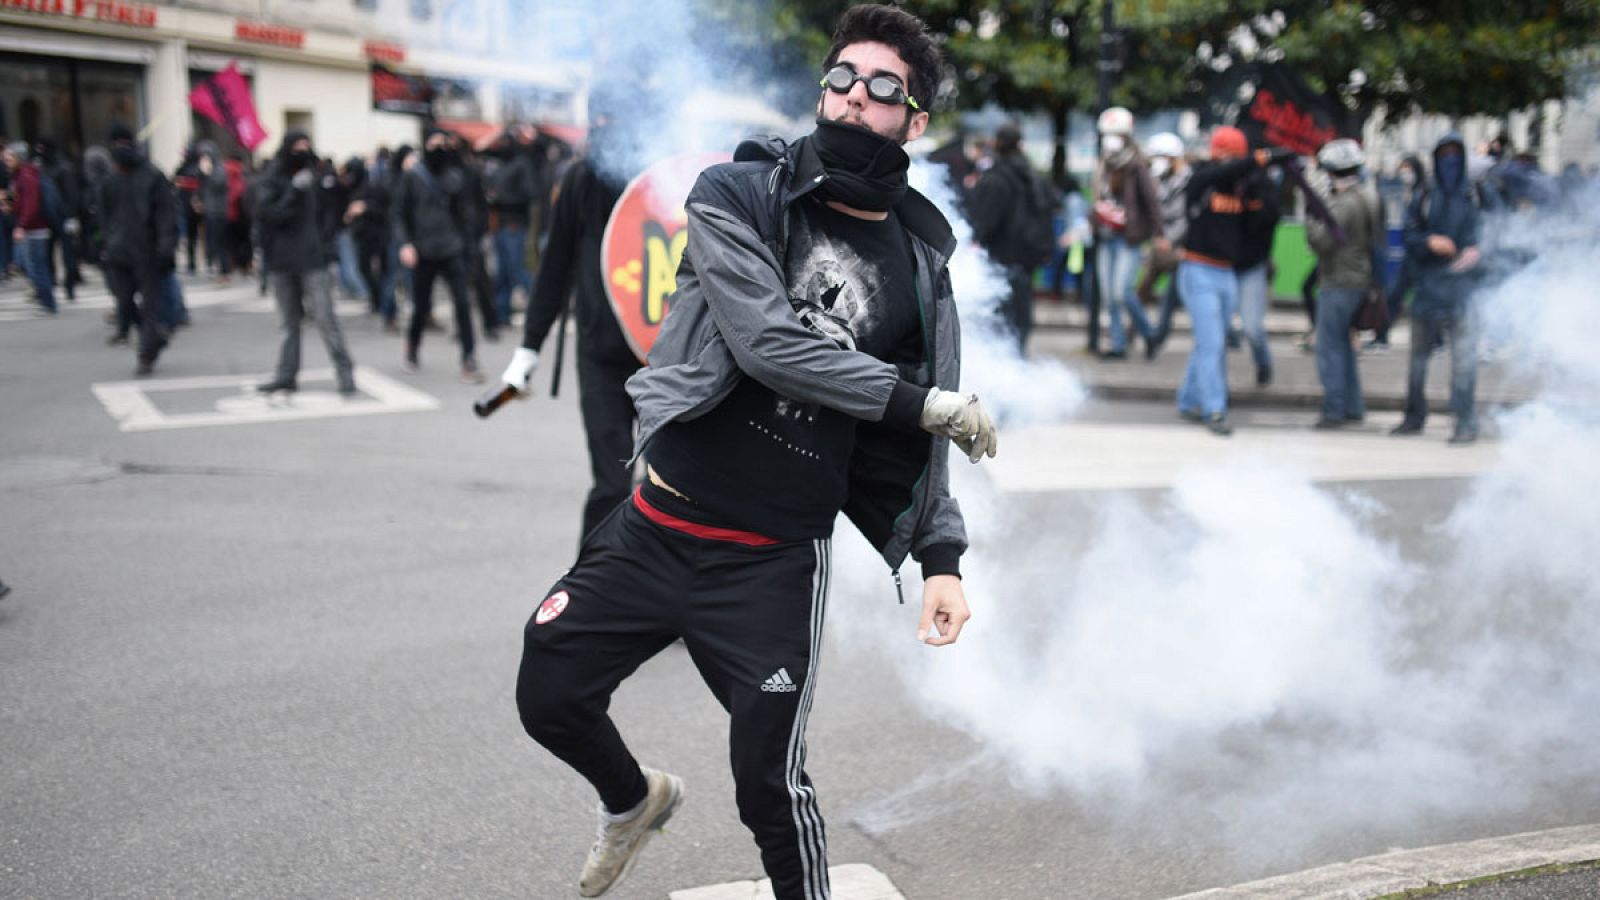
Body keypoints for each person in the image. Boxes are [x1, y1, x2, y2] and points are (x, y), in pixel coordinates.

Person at [513, 7, 995, 899]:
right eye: (842, 78)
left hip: (770, 563)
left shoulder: (923, 267)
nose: (855, 97)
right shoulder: (737, 193)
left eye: (883, 87)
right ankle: (633, 801)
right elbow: (767, 343)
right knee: (547, 697)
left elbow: (910, 447)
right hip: (658, 524)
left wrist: (941, 558)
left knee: (770, 791)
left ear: (915, 121)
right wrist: (923, 403)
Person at [497, 89, 647, 541]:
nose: (605, 127)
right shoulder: (581, 181)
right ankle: (593, 587)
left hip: (665, 357)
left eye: (615, 117)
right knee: (611, 485)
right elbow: (555, 267)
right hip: (600, 354)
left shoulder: (660, 177)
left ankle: (661, 588)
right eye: (598, 117)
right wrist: (528, 349)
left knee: (672, 488)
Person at [1175, 127, 1291, 436]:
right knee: (1214, 343)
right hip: (1198, 270)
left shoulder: (1243, 187)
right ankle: (1215, 408)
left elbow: (1257, 229)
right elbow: (1223, 171)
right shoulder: (1201, 178)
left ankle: (1188, 400)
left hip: (1227, 273)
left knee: (1208, 342)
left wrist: (1259, 195)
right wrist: (1260, 159)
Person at [1392, 133, 1481, 444]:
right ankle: (1414, 416)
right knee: (1417, 362)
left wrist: (1478, 252)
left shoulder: (1476, 194)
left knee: (1463, 363)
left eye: (1455, 154)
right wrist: (1429, 241)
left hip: (1464, 293)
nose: (1450, 162)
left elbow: (1497, 234)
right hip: (1428, 289)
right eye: (1444, 155)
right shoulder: (1425, 194)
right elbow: (1408, 234)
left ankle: (1465, 422)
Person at [254, 131, 356, 396]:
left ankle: (344, 371)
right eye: (297, 146)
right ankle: (287, 375)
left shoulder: (317, 176)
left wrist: (325, 244)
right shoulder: (274, 177)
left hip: (313, 259)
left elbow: (331, 212)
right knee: (289, 322)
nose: (302, 151)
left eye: (306, 146)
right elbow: (269, 214)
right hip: (282, 260)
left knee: (325, 317)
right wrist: (292, 192)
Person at [393, 128, 484, 381]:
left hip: (452, 248)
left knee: (463, 305)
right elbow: (400, 213)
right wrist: (406, 244)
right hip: (424, 250)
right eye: (434, 142)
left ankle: (469, 358)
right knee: (421, 306)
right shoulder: (413, 176)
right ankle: (412, 346)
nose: (439, 148)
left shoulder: (455, 177)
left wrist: (469, 247)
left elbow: (467, 215)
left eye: (443, 143)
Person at [1305, 138, 1380, 429]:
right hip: (1357, 278)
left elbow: (1323, 241)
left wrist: (1311, 220)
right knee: (1344, 348)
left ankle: (1334, 408)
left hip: (1339, 281)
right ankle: (1353, 406)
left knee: (1329, 348)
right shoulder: (1366, 196)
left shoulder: (1344, 204)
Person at [968, 121, 1053, 352]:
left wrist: (975, 237)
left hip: (1002, 253)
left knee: (1003, 313)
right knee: (1022, 309)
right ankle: (1018, 355)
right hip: (1028, 253)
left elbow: (985, 219)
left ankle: (1007, 358)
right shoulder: (1032, 174)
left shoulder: (996, 177)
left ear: (997, 144)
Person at [101, 124, 177, 375]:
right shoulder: (110, 179)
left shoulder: (153, 176)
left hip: (148, 250)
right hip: (118, 250)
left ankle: (146, 353)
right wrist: (100, 243)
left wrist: (166, 247)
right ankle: (153, 338)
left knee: (150, 304)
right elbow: (103, 215)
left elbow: (166, 215)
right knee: (124, 301)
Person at [1090, 106, 1163, 359]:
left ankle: (1148, 332)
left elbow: (1150, 201)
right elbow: (1097, 196)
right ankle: (1118, 345)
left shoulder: (1135, 165)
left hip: (1127, 239)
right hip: (1105, 235)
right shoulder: (1104, 162)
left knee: (1122, 292)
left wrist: (1158, 233)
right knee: (1109, 297)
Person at [1366, 154, 1424, 352]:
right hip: (1412, 255)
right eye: (1402, 168)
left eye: (1408, 168)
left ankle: (1436, 340)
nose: (1404, 173)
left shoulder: (1423, 194)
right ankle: (1381, 336)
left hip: (1422, 257)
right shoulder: (1406, 193)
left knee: (1423, 299)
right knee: (1393, 297)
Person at [1141, 132, 1189, 357]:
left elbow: (1185, 218)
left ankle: (1155, 339)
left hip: (1178, 250)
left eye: (1161, 156)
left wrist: (1169, 240)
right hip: (1159, 247)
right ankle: (1141, 336)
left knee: (1170, 299)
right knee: (1141, 292)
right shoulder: (1160, 180)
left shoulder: (1187, 182)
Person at [485, 129, 536, 330]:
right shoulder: (501, 166)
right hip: (500, 225)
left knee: (519, 271)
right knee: (502, 274)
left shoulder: (521, 165)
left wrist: (504, 198)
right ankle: (502, 313)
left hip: (514, 224)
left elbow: (530, 193)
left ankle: (537, 311)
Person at [4, 142, 56, 315]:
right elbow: (21, 201)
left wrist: (21, 225)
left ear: (18, 158)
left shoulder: (26, 176)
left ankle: (47, 302)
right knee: (32, 265)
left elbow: (31, 204)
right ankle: (45, 299)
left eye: (10, 158)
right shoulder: (19, 175)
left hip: (34, 228)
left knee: (35, 266)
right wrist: (9, 205)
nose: (6, 161)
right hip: (30, 227)